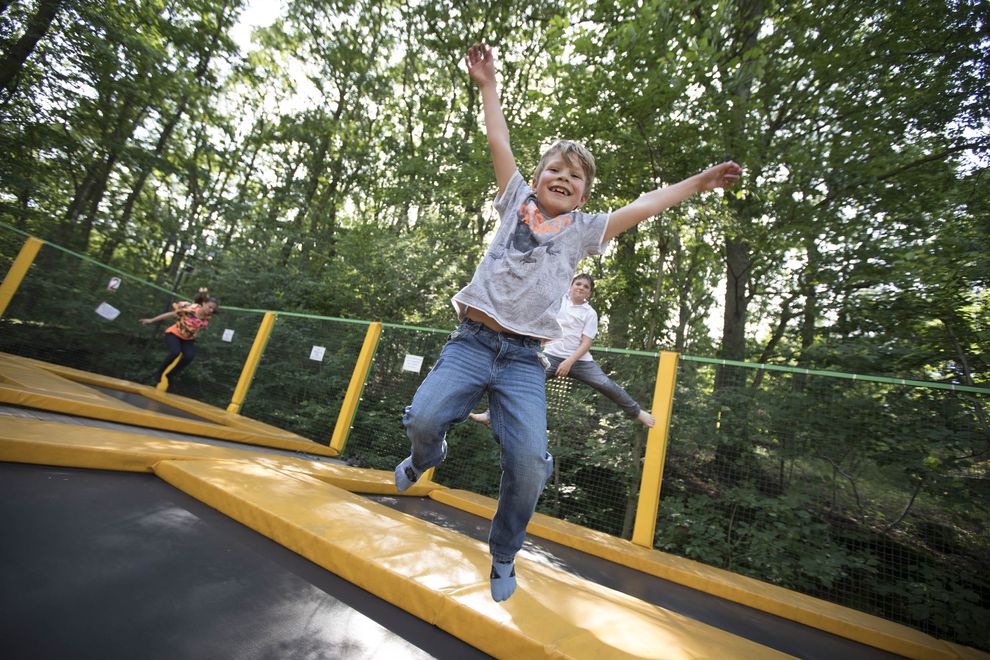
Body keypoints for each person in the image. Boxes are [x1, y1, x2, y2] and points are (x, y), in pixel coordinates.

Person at [394, 42, 741, 602]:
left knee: (530, 464)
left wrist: (697, 182)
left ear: (584, 194)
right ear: (535, 179)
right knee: (425, 417)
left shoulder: (585, 231)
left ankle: (503, 552)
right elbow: (498, 140)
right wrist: (488, 86)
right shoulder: (514, 200)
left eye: (574, 176)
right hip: (472, 343)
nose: (563, 176)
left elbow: (646, 204)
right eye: (554, 169)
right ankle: (426, 458)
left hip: (524, 360)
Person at [469, 272, 655, 429]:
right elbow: (543, 323)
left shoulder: (589, 313)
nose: (581, 288)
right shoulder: (558, 302)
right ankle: (490, 416)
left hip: (580, 360)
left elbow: (586, 343)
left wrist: (569, 362)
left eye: (586, 287)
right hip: (551, 356)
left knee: (606, 385)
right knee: (521, 382)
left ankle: (637, 412)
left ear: (589, 293)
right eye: (578, 284)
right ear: (571, 286)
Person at [140, 287, 219, 392]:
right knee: (175, 352)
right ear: (204, 304)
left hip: (188, 339)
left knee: (189, 357)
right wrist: (151, 320)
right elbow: (170, 314)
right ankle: (159, 373)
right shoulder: (190, 310)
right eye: (210, 307)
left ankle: (170, 375)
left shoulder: (207, 317)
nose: (211, 310)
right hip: (174, 334)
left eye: (213, 309)